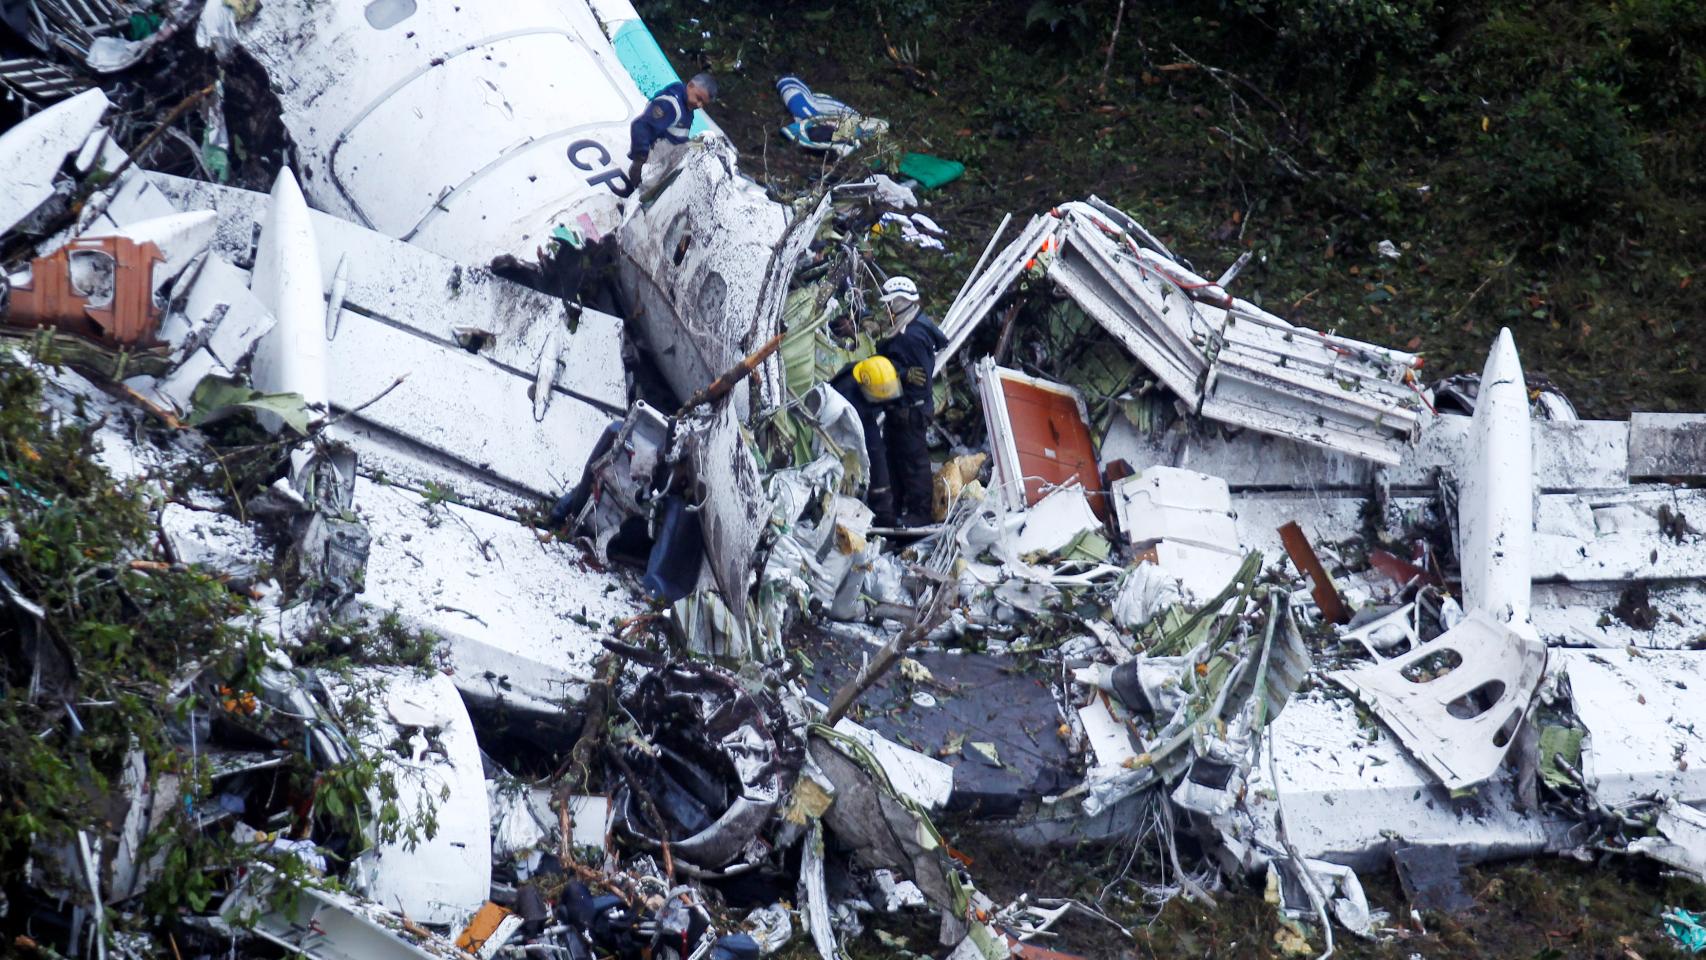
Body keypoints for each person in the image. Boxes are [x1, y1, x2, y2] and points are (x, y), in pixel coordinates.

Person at [875, 276, 947, 527]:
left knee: (914, 464)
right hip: (899, 412)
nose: (887, 309)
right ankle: (895, 509)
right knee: (894, 462)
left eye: (890, 304)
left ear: (901, 302)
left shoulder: (913, 336)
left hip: (910, 413)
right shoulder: (907, 328)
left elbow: (921, 380)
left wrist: (899, 375)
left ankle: (919, 514)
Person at [829, 355, 902, 527]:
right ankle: (846, 513)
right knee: (868, 459)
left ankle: (883, 509)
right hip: (842, 426)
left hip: (864, 413)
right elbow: (836, 431)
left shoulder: (875, 372)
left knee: (878, 453)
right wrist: (848, 457)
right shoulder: (844, 393)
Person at [626, 73, 717, 187]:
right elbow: (641, 126)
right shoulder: (672, 105)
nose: (699, 105)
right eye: (699, 98)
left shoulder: (687, 106)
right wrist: (639, 161)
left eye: (703, 103)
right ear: (690, 86)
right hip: (653, 163)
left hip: (669, 157)